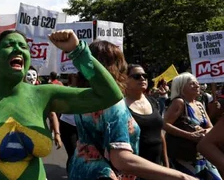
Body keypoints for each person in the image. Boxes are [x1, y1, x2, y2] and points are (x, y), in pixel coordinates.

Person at [0, 30, 125, 180]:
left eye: (23, 47)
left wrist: (77, 51)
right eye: (9, 45)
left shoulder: (45, 94)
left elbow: (109, 95)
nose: (18, 49)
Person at [69, 40, 194, 180]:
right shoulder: (113, 104)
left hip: (80, 171)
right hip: (107, 174)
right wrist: (181, 176)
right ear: (115, 67)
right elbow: (121, 159)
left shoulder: (84, 97)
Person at [163, 73, 221, 180]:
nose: (197, 85)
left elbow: (210, 127)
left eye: (197, 83)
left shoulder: (199, 104)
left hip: (203, 155)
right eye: (192, 83)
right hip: (185, 156)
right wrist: (189, 135)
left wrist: (204, 131)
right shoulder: (179, 103)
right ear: (181, 88)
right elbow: (165, 124)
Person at [124, 64, 169, 167]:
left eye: (145, 75)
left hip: (158, 166)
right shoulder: (121, 106)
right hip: (136, 167)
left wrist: (166, 164)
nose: (143, 78)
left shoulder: (153, 101)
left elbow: (160, 134)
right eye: (137, 76)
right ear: (125, 80)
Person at [24, 66, 62, 150]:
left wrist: (57, 134)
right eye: (28, 75)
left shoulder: (42, 93)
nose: (32, 78)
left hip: (38, 133)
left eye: (34, 75)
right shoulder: (17, 92)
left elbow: (52, 114)